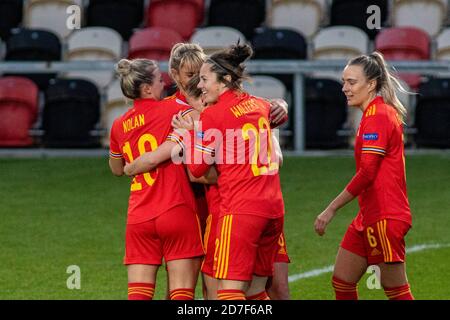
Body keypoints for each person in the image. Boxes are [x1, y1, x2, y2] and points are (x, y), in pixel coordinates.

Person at [173, 42, 285, 300]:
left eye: (204, 79)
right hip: (273, 210)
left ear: (223, 80)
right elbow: (278, 112)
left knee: (229, 293)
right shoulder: (258, 104)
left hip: (240, 211)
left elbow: (198, 167)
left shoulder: (215, 115)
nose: (200, 86)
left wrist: (190, 135)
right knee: (257, 291)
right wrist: (284, 105)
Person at [314, 52, 414, 300]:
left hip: (385, 214)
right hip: (369, 215)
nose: (344, 88)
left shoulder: (378, 116)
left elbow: (367, 173)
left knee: (397, 291)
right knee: (342, 281)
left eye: (351, 82)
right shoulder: (372, 115)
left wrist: (331, 209)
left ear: (371, 84)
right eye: (344, 81)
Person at [108, 58, 204, 300]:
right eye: (160, 80)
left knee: (139, 295)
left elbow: (117, 168)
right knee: (181, 295)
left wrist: (132, 164)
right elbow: (207, 119)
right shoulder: (175, 111)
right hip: (175, 209)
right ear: (147, 88)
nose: (165, 84)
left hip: (139, 216)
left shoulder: (118, 125)